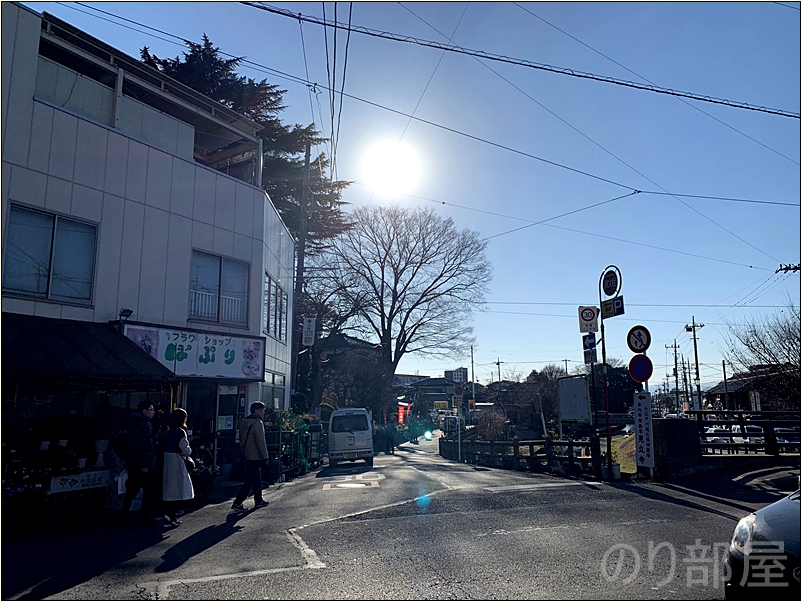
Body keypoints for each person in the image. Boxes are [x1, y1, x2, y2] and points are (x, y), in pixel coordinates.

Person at [119, 400, 156, 527]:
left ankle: (124, 515)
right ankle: (144, 516)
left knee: (132, 490)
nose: (153, 412)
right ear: (144, 411)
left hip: (132, 461)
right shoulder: (145, 425)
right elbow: (144, 445)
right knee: (149, 488)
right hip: (141, 462)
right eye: (151, 410)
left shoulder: (131, 423)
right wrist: (145, 463)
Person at [231, 402, 269, 511]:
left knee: (256, 478)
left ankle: (259, 500)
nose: (263, 413)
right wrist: (265, 457)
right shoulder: (257, 423)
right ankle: (238, 502)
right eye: (262, 410)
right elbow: (260, 442)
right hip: (256, 455)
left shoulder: (244, 422)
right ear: (257, 410)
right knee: (250, 480)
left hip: (247, 454)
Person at [161, 408, 195, 527]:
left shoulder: (167, 432)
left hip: (167, 461)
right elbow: (185, 450)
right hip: (177, 462)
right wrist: (190, 451)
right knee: (178, 489)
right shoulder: (181, 431)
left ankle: (168, 516)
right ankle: (172, 517)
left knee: (169, 490)